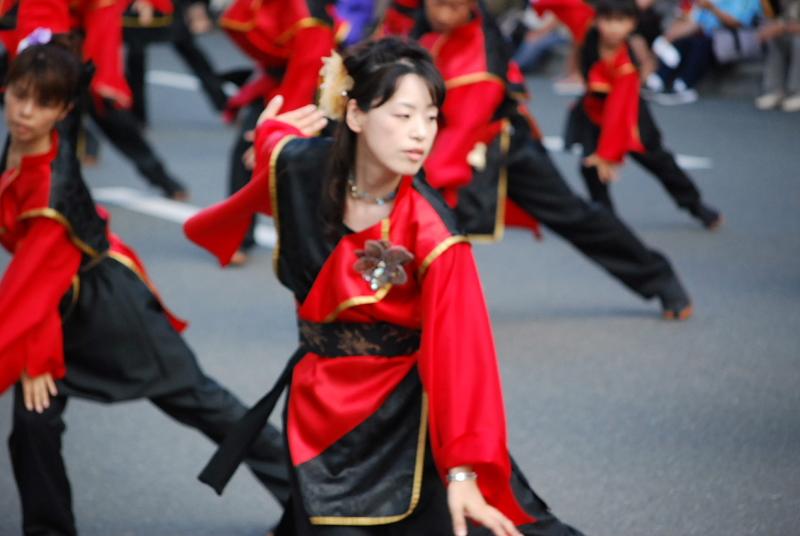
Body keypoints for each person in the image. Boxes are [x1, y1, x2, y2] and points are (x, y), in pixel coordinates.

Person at [185, 37, 585, 535]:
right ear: (354, 115)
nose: (420, 134)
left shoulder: (434, 234)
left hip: (406, 421)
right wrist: (269, 133)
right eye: (402, 115)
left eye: (431, 117)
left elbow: (462, 358)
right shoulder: (299, 168)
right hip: (318, 407)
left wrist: (461, 470)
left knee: (512, 525)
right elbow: (278, 146)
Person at [0, 37, 289, 535]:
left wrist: (32, 356)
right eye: (18, 94)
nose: (25, 111)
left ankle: (319, 500)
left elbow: (26, 294)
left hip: (110, 309)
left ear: (64, 111)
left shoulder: (52, 190)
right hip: (55, 305)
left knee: (204, 404)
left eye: (43, 102)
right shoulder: (24, 140)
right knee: (33, 423)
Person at [384, 0, 694, 319]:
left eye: (453, 7)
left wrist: (410, 186)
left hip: (501, 148)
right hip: (445, 149)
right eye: (436, 4)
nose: (442, 14)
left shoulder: (480, 58)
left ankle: (659, 277)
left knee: (572, 215)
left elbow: (457, 136)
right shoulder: (424, 32)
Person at [4, 0, 190, 199]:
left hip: (88, 45)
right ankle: (15, 192)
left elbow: (104, 13)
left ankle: (160, 176)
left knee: (112, 117)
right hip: (47, 44)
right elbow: (39, 13)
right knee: (30, 119)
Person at [565, 0, 723, 228]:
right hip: (595, 110)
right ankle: (606, 217)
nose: (612, 28)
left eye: (620, 21)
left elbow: (622, 106)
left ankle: (695, 204)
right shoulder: (588, 33)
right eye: (607, 20)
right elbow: (568, 9)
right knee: (590, 166)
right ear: (598, 19)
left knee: (660, 161)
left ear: (632, 24)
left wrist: (609, 154)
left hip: (629, 113)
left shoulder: (629, 59)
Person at [219, 0, 337, 264]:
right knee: (247, 156)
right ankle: (238, 237)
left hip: (308, 99)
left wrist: (279, 129)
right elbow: (241, 23)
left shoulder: (309, 15)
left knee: (307, 172)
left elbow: (307, 73)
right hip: (280, 85)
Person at [755, 0, 800, 111]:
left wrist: (782, 28)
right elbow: (778, 20)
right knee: (775, 39)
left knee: (798, 43)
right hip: (790, 33)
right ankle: (775, 91)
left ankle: (796, 92)